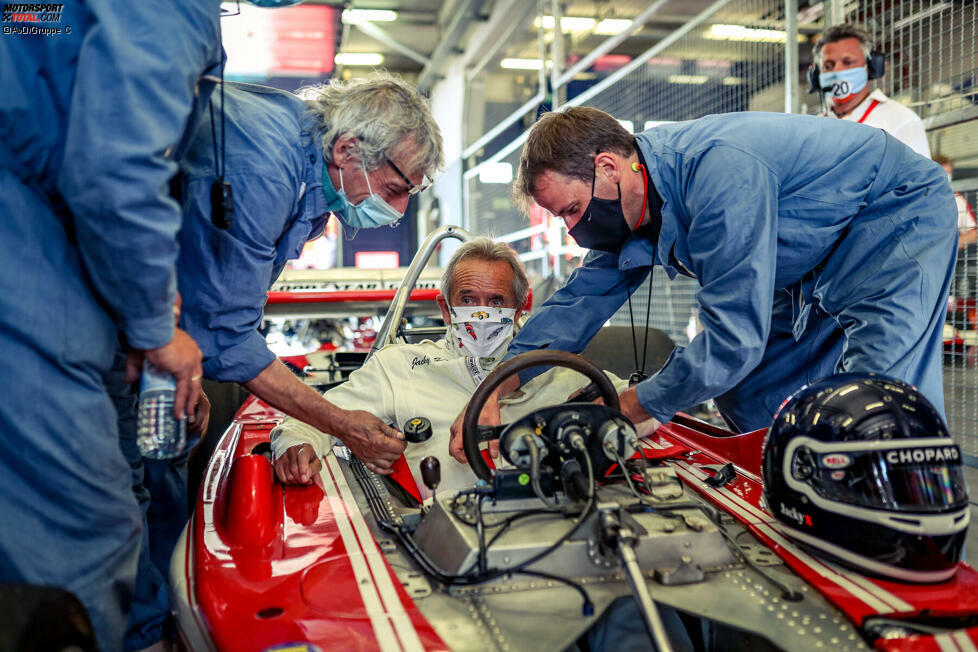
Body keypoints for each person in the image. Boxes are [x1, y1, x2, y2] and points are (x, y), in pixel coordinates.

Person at [112, 73, 444, 648]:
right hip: (110, 333)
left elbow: (220, 303)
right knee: (123, 495)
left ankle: (157, 622)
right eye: (394, 189)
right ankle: (142, 636)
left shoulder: (308, 173)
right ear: (347, 150)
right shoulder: (265, 168)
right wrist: (340, 424)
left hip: (155, 332)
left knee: (163, 470)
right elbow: (226, 336)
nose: (397, 208)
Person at [448, 106, 956, 448]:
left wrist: (636, 403)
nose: (576, 228)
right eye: (563, 218)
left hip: (892, 218)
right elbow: (576, 305)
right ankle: (792, 486)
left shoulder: (717, 174)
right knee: (746, 389)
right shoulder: (630, 205)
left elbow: (733, 339)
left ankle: (902, 549)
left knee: (878, 404)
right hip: (815, 259)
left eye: (574, 209)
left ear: (607, 166)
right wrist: (493, 387)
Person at [0, 2, 222, 649]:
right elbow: (118, 175)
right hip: (24, 256)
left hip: (43, 250)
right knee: (88, 539)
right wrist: (156, 331)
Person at [270, 237, 635, 496]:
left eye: (495, 300)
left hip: (559, 523)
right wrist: (295, 446)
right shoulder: (397, 367)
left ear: (523, 305)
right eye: (468, 299)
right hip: (441, 538)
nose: (481, 312)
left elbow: (634, 406)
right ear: (445, 309)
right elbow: (311, 420)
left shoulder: (558, 365)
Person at [813, 23, 931, 157]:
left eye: (848, 62)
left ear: (871, 66)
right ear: (816, 76)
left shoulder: (900, 120)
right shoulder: (812, 129)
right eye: (828, 66)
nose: (837, 70)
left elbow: (918, 177)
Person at [935, 154, 976, 300]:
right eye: (943, 173)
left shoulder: (956, 199)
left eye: (949, 173)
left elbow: (973, 232)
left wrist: (950, 246)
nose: (947, 177)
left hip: (945, 266)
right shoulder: (915, 196)